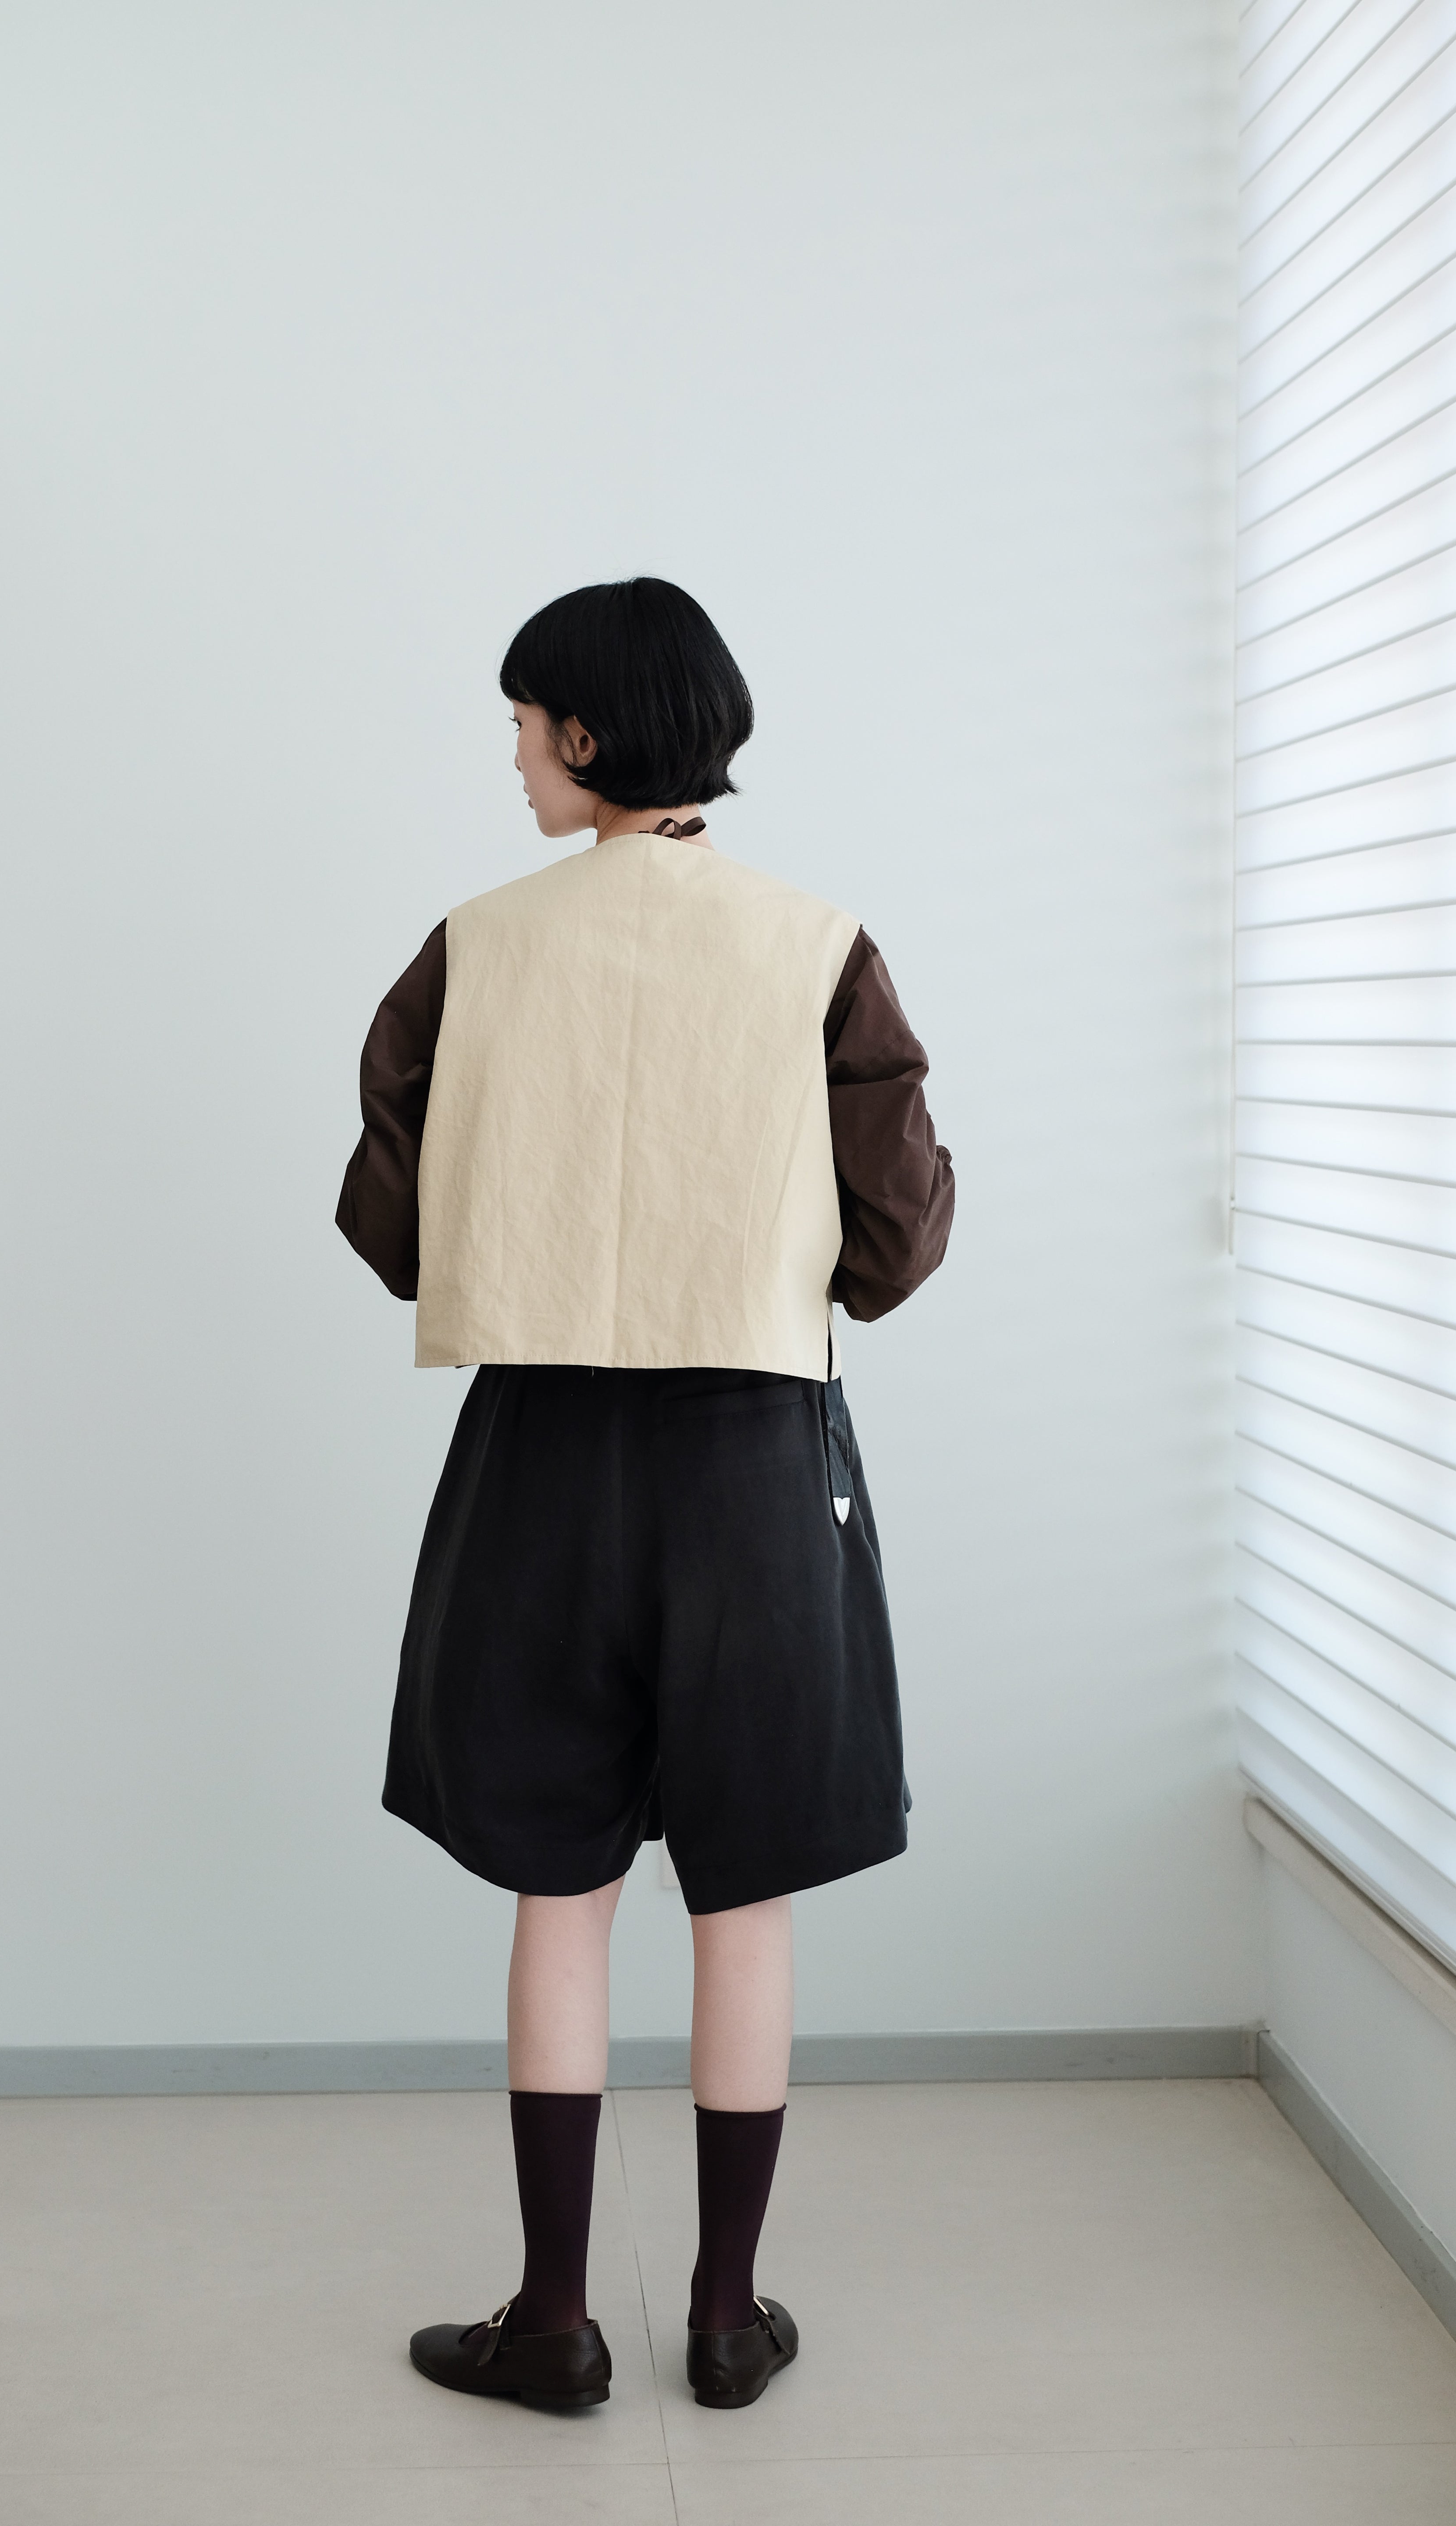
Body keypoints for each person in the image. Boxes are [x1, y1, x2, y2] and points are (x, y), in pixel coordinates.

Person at [336, 576, 953, 2413]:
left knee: (559, 1879)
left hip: (541, 1461)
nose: (516, 758)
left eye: (526, 726)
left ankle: (550, 2321)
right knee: (742, 1893)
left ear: (588, 736)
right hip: (756, 1461)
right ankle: (727, 2318)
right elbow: (896, 1242)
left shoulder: (474, 946)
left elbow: (389, 1218)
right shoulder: (817, 946)